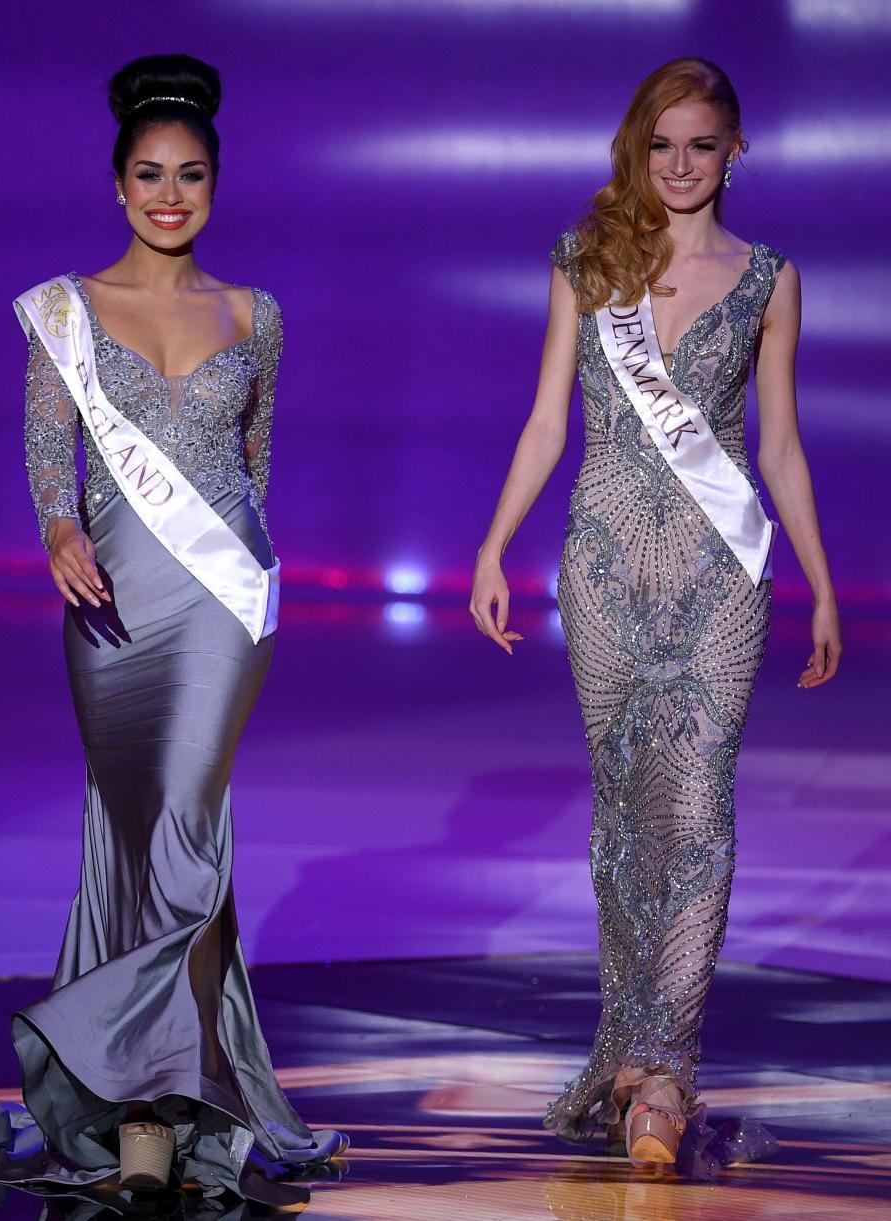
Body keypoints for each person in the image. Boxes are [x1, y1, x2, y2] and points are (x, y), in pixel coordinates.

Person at [0, 54, 346, 1207]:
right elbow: (45, 455)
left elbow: (256, 466)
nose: (172, 196)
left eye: (193, 176)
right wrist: (59, 528)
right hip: (109, 607)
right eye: (151, 176)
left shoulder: (255, 315)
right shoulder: (65, 312)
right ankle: (131, 1088)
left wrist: (259, 577)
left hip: (221, 606)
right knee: (131, 834)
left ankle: (156, 1109)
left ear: (216, 185)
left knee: (183, 822)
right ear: (119, 185)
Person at [470, 57, 840, 1172]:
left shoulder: (770, 278)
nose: (680, 166)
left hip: (720, 574)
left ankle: (667, 1075)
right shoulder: (588, 262)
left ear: (735, 153)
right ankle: (630, 1052)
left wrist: (821, 579)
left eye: (702, 145)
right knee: (627, 820)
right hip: (606, 567)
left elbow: (776, 444)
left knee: (701, 816)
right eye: (662, 145)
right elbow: (546, 423)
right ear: (639, 150)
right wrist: (492, 545)